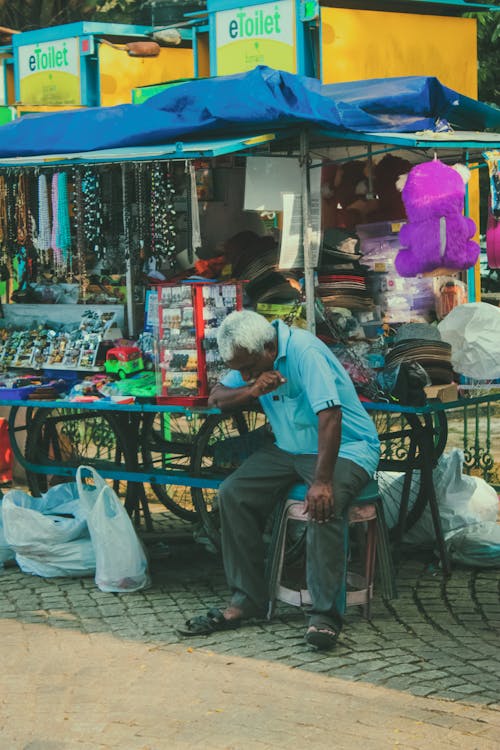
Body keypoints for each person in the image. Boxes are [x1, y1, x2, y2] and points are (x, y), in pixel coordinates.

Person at [178, 310, 380, 650]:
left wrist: (323, 481)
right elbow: (216, 398)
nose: (242, 374)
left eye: (248, 368)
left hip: (347, 447)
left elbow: (330, 417)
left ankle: (325, 616)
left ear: (270, 349)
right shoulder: (251, 354)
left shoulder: (305, 353)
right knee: (233, 493)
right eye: (238, 369)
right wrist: (252, 389)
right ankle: (247, 599)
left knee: (322, 503)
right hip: (290, 448)